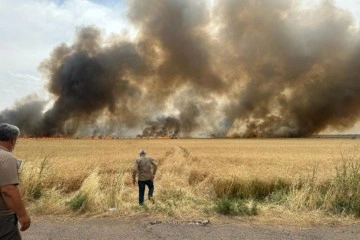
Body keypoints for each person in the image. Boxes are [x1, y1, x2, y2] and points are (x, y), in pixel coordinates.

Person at [0, 123, 31, 239]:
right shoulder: (7, 157)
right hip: (3, 217)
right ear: (12, 140)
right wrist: (23, 215)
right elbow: (8, 190)